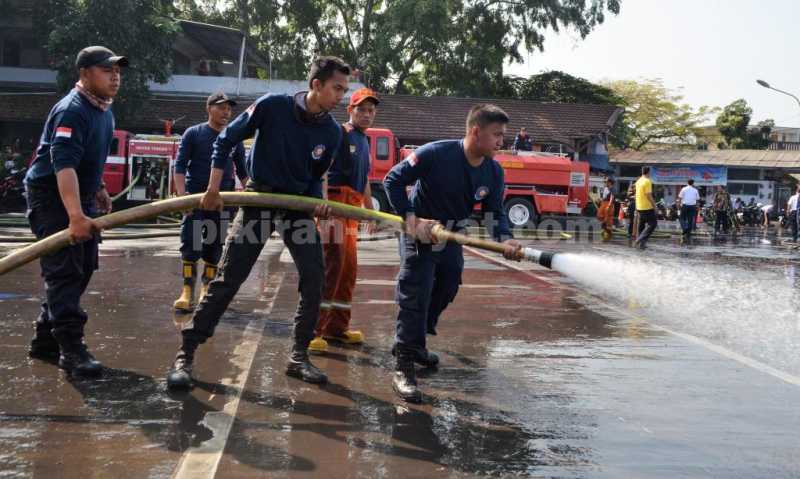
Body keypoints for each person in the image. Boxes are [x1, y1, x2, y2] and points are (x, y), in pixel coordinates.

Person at [166, 56, 350, 389]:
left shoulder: (332, 132)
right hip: (258, 201)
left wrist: (317, 205)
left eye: (344, 90)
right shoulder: (272, 106)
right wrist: (211, 189)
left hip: (296, 207)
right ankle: (186, 352)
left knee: (314, 276)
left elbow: (314, 178)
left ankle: (298, 356)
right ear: (316, 85)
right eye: (337, 88)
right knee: (229, 278)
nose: (342, 96)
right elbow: (226, 140)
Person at [383, 104, 522, 403]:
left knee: (448, 285)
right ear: (476, 131)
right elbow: (393, 180)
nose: (502, 142)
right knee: (415, 290)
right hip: (420, 229)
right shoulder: (436, 153)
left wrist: (507, 239)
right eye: (497, 135)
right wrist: (410, 219)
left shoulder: (493, 171)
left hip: (451, 234)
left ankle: (416, 342)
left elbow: (494, 213)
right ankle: (404, 364)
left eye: (503, 136)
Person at [23, 46, 128, 376]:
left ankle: (44, 339)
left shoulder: (104, 111)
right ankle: (71, 350)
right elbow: (64, 165)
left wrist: (97, 188)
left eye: (118, 71)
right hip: (51, 196)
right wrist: (74, 217)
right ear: (85, 74)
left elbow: (90, 158)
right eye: (107, 70)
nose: (115, 77)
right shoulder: (72, 110)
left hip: (78, 196)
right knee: (65, 270)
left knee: (83, 266)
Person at [309, 88, 380, 353]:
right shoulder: (340, 133)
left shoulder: (364, 141)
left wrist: (369, 211)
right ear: (350, 110)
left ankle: (337, 328)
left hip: (352, 209)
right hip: (336, 206)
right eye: (361, 109)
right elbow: (322, 170)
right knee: (332, 265)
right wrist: (324, 203)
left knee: (348, 270)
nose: (367, 114)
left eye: (371, 110)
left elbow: (365, 182)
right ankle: (314, 330)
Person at [172, 92, 249, 312]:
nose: (226, 112)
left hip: (222, 201)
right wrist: (182, 197)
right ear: (209, 109)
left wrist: (253, 192)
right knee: (191, 243)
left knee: (214, 246)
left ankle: (207, 287)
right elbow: (179, 166)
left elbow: (242, 172)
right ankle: (187, 290)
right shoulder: (194, 134)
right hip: (196, 198)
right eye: (221, 107)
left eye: (228, 108)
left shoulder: (234, 138)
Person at [633, 166, 657, 250]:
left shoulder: (638, 181)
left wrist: (636, 207)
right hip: (646, 207)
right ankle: (639, 239)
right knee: (653, 224)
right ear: (649, 172)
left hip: (639, 206)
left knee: (641, 225)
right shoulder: (647, 181)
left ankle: (641, 244)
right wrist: (654, 206)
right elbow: (648, 195)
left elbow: (636, 195)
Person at [677, 179, 700, 243]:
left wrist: (678, 205)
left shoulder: (683, 189)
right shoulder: (695, 190)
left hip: (685, 206)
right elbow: (697, 200)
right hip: (692, 206)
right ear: (693, 183)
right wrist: (697, 207)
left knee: (682, 218)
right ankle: (688, 233)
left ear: (687, 183)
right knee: (690, 219)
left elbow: (679, 198)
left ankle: (685, 229)